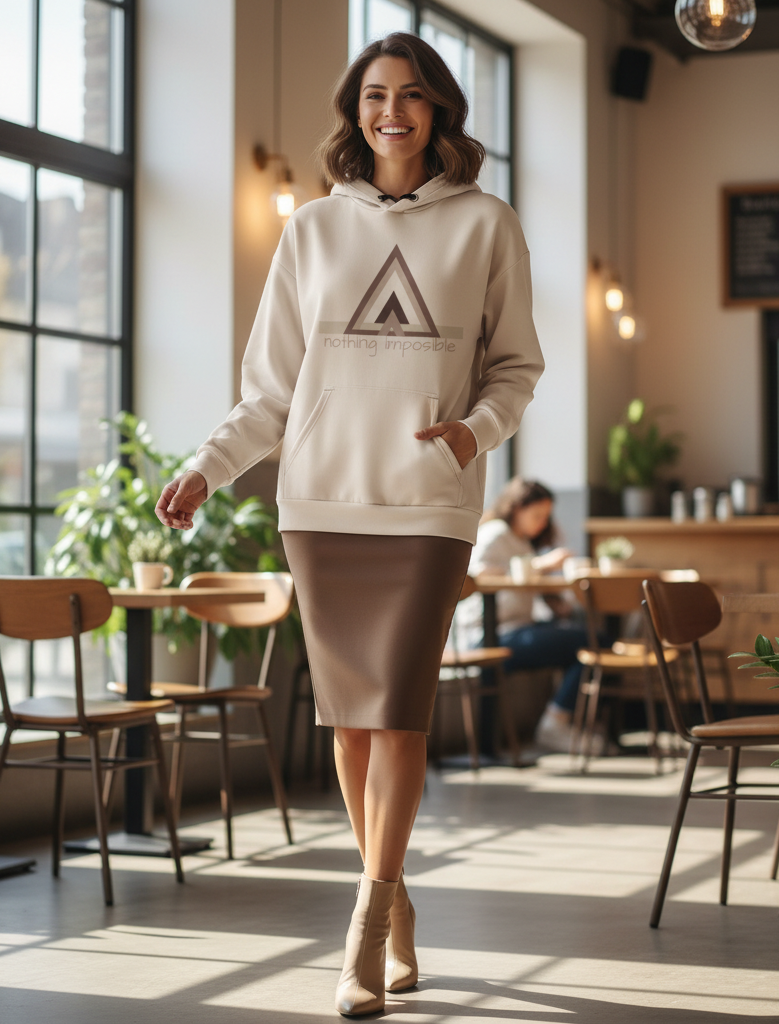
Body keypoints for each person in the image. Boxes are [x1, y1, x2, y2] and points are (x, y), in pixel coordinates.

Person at [155, 32, 543, 1018]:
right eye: (374, 95)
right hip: (321, 504)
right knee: (351, 725)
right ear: (354, 110)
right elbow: (269, 391)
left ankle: (366, 923)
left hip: (429, 505)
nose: (391, 112)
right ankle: (394, 891)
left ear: (438, 108)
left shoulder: (486, 223)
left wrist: (473, 431)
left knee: (399, 711)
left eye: (410, 95)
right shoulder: (312, 230)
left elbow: (516, 366)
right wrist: (207, 466)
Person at [457, 477, 601, 753]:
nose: (542, 523)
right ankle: (556, 723)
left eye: (546, 517)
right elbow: (476, 575)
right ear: (516, 508)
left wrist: (557, 602)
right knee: (590, 641)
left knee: (592, 639)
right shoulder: (495, 533)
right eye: (537, 515)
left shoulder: (522, 542)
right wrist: (541, 565)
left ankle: (565, 720)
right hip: (487, 634)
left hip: (516, 628)